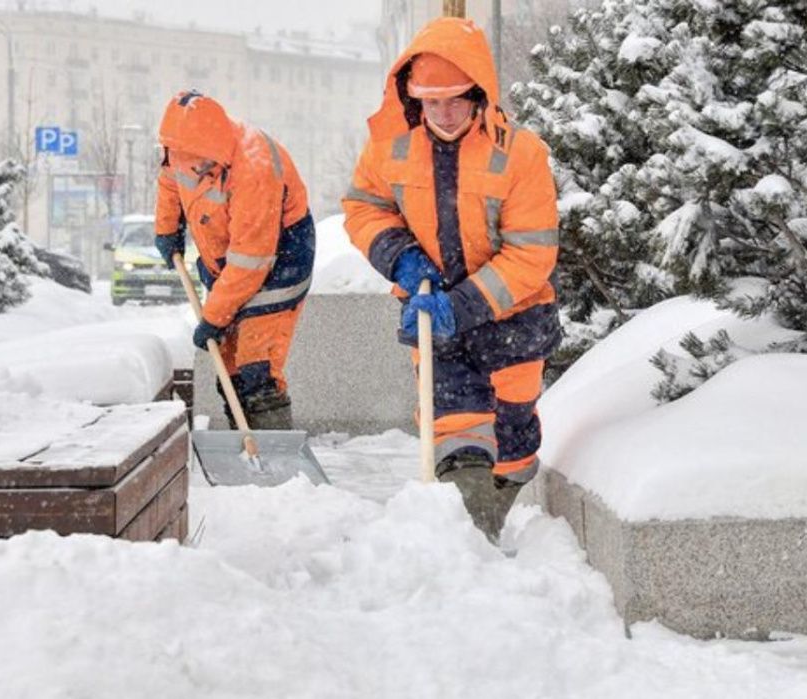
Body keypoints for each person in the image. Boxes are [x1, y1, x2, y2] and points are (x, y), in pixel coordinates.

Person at [342, 17, 561, 542]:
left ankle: (489, 523)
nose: (442, 113)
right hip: (431, 322)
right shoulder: (389, 147)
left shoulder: (520, 154)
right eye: (430, 101)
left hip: (513, 319)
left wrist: (461, 303)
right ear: (413, 96)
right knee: (457, 436)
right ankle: (469, 547)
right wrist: (400, 257)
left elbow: (531, 254)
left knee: (514, 448)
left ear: (479, 94)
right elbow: (363, 208)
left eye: (455, 100)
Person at [155, 90, 315, 430]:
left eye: (205, 165)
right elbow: (171, 182)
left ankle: (273, 454)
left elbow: (251, 260)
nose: (197, 170)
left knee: (257, 366)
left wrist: (214, 316)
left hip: (280, 259)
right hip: (226, 258)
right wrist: (168, 228)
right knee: (227, 365)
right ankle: (245, 443)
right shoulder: (182, 149)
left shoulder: (254, 169)